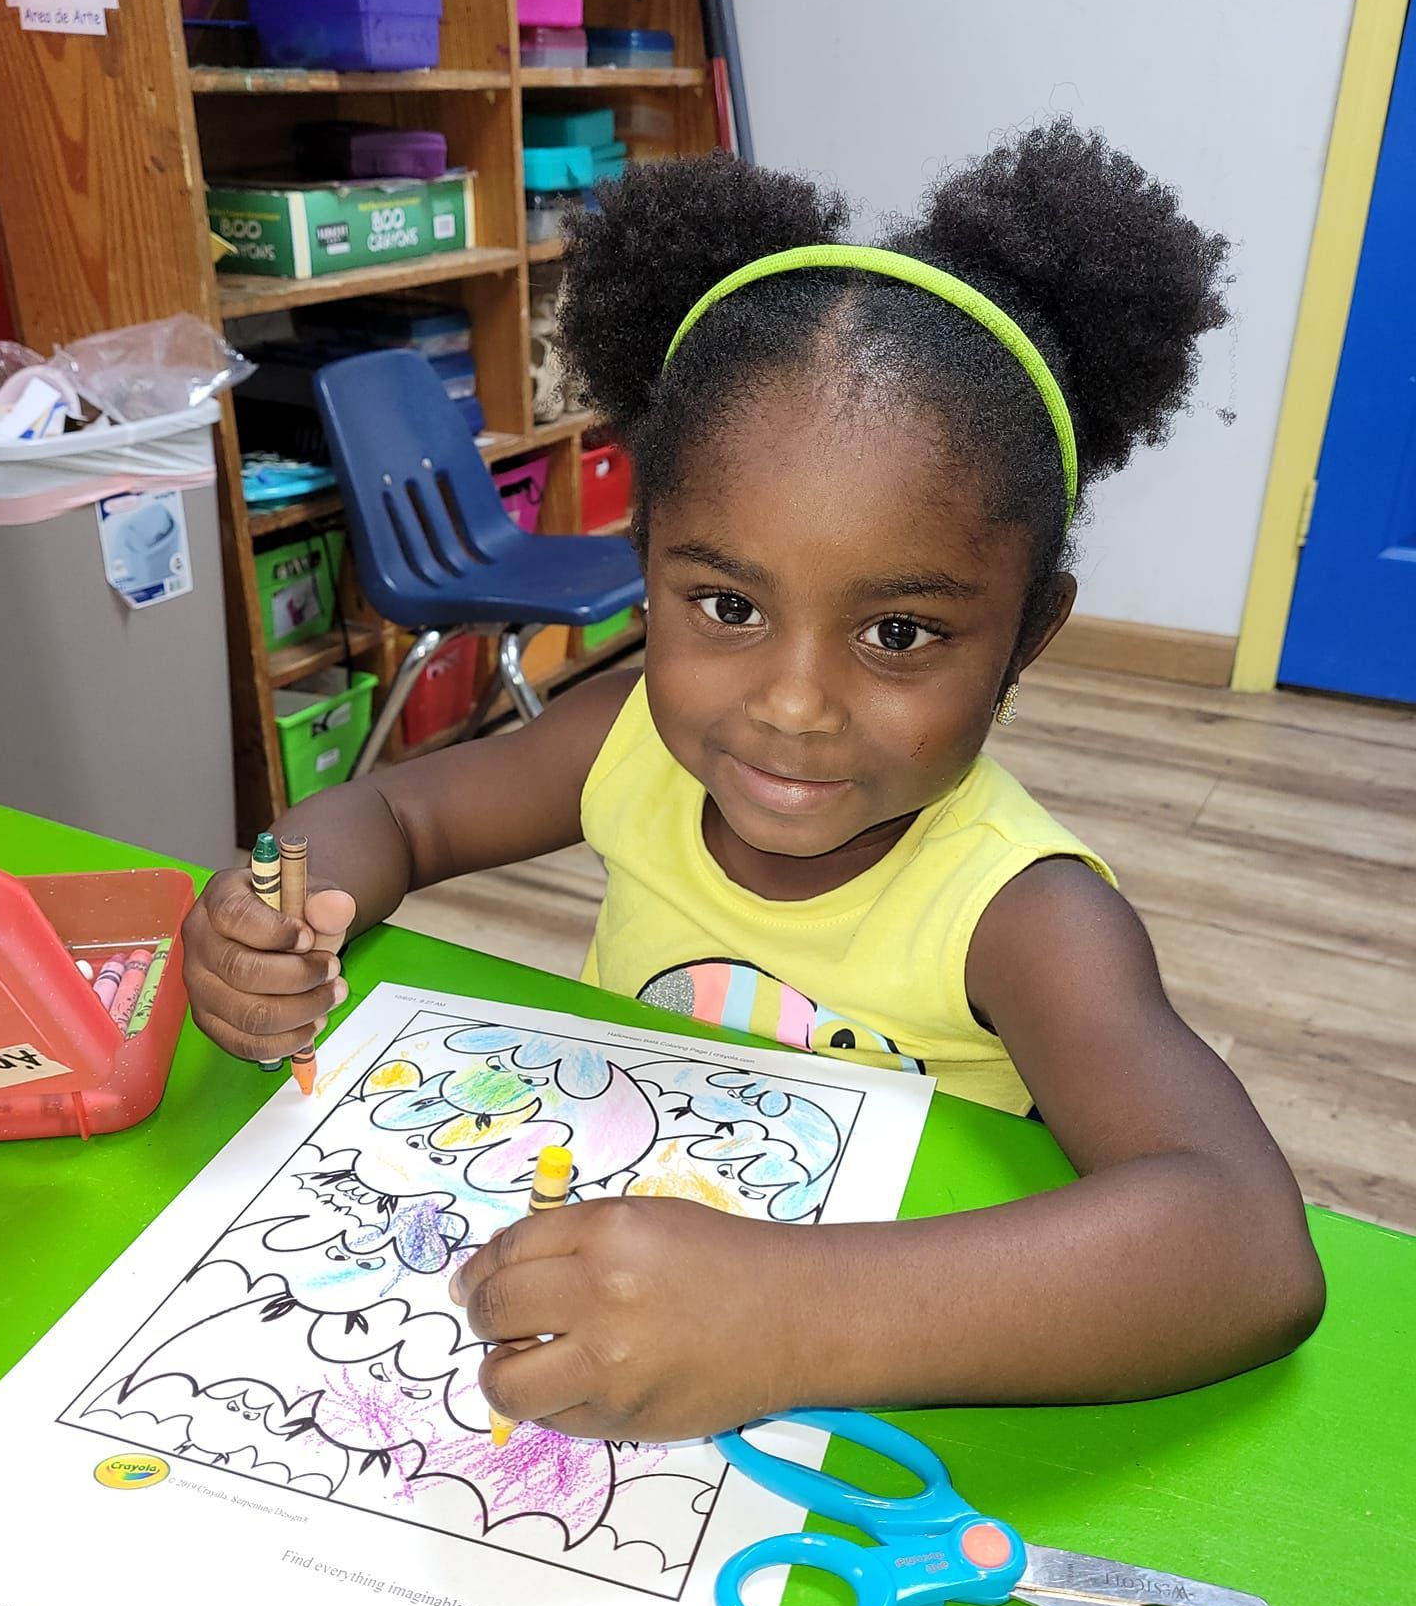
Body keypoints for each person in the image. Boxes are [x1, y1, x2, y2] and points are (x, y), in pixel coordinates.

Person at [183, 122, 1324, 1442]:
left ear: (1029, 635)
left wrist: (790, 1315)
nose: (790, 708)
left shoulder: (1022, 914)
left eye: (898, 634)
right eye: (724, 603)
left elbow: (1243, 1247)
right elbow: (397, 806)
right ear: (646, 558)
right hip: (619, 1353)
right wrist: (281, 904)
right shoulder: (623, 741)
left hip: (902, 1411)